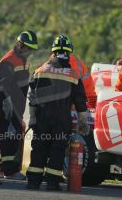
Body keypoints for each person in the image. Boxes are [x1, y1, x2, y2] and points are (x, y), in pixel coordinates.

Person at [26, 35, 89, 191]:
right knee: (57, 149)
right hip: (61, 120)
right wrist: (83, 122)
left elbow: (32, 98)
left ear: (53, 52)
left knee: (39, 148)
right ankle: (52, 183)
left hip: (41, 118)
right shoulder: (74, 75)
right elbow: (81, 101)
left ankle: (33, 182)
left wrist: (32, 117)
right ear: (69, 53)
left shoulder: (40, 71)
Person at [0, 31, 38, 180]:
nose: (30, 52)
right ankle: (10, 171)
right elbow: (3, 86)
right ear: (20, 45)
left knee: (13, 135)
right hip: (6, 103)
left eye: (32, 49)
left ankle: (2, 169)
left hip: (17, 104)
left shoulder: (24, 59)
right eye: (28, 48)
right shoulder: (8, 60)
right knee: (8, 137)